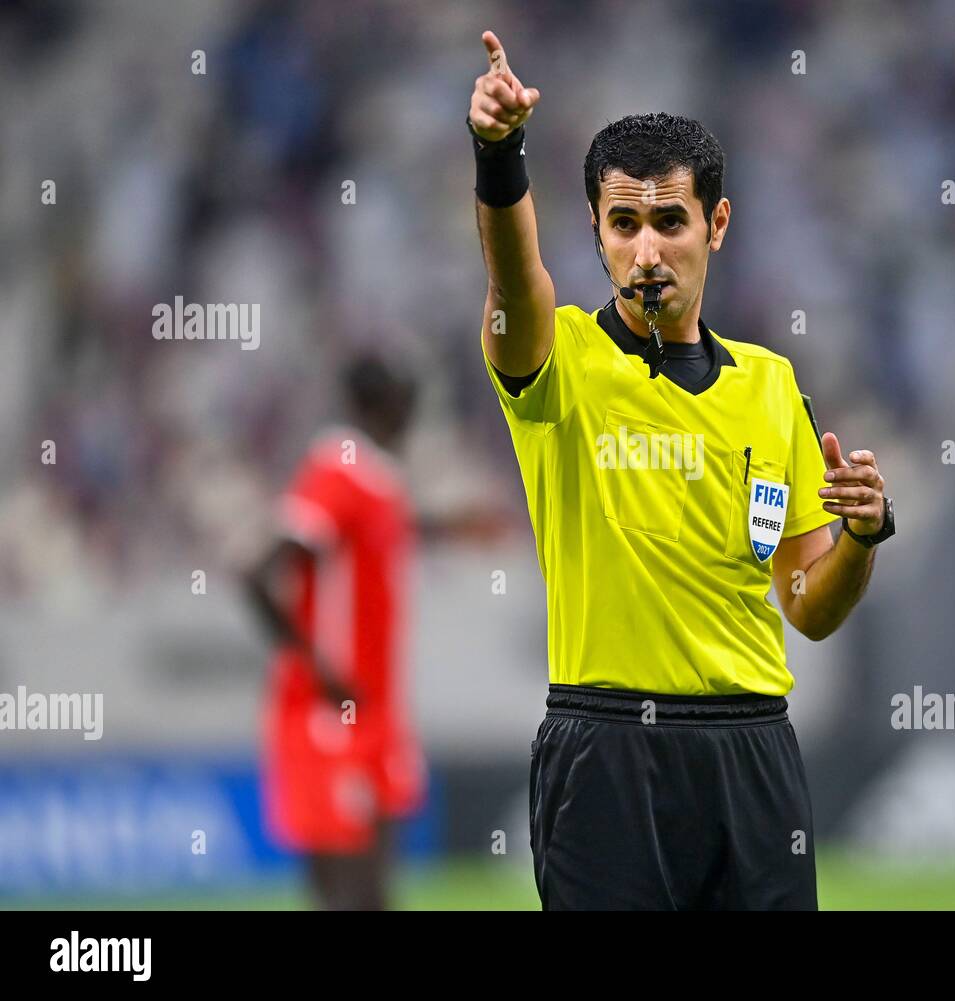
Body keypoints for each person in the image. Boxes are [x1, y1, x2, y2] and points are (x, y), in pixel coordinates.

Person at [468, 29, 896, 910]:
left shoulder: (772, 387)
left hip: (752, 753)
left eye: (670, 220)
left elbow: (809, 606)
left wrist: (858, 538)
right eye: (623, 224)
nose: (647, 250)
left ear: (718, 223)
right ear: (595, 229)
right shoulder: (562, 360)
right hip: (607, 747)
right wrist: (499, 154)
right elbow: (515, 282)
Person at [243, 353, 427, 910]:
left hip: (376, 711)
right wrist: (318, 670)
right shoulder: (336, 469)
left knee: (373, 895)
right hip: (330, 713)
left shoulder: (380, 479)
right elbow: (258, 572)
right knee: (350, 894)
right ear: (380, 402)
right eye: (405, 395)